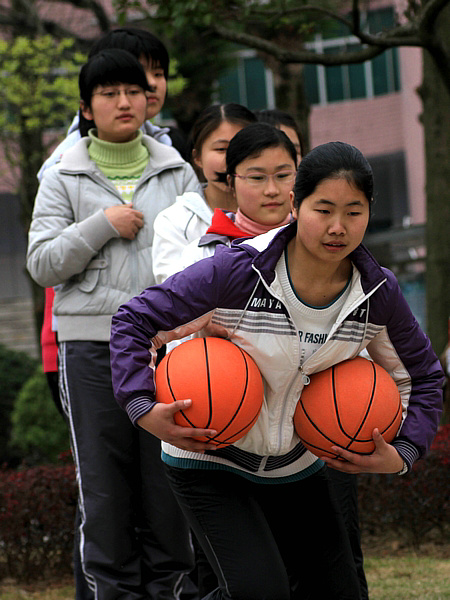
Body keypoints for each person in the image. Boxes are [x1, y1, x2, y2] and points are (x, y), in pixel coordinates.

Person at [109, 140, 444, 599]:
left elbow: (423, 377)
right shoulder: (237, 271)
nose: (338, 227)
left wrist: (404, 451)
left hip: (295, 464)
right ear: (295, 204)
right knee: (260, 592)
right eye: (323, 210)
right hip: (209, 455)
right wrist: (142, 405)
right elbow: (135, 321)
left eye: (354, 212)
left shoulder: (376, 294)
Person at [27, 49, 199, 600]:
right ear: (86, 107)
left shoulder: (177, 171)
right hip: (90, 350)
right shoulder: (62, 173)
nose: (124, 102)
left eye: (133, 91)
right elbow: (41, 264)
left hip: (164, 350)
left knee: (167, 487)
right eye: (108, 94)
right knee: (104, 493)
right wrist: (101, 224)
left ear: (149, 100)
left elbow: (202, 261)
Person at [152, 103, 257, 284]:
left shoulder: (280, 212)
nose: (232, 159)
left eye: (243, 148)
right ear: (197, 157)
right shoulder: (174, 221)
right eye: (221, 149)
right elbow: (173, 291)